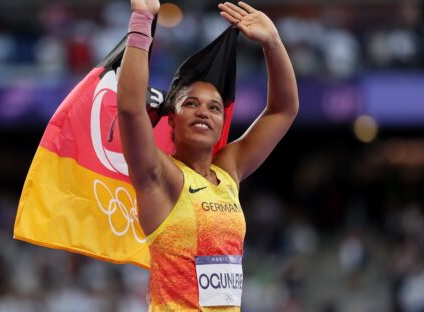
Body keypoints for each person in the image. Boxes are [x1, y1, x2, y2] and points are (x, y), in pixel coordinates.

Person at [117, 0, 299, 310]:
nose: (203, 111)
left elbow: (283, 110)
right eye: (191, 103)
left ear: (221, 123)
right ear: (171, 118)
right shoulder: (162, 178)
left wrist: (273, 43)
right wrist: (142, 19)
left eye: (214, 107)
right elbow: (131, 109)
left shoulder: (228, 172)